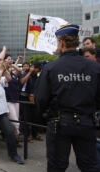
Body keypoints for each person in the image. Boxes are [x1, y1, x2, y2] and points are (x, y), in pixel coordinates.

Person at [34, 24, 100, 172]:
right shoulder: (94, 67)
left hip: (59, 123)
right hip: (87, 122)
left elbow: (41, 98)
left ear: (62, 43)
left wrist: (47, 115)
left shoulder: (51, 67)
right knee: (90, 165)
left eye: (57, 43)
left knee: (57, 166)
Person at [19, 62, 44, 143]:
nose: (38, 70)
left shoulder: (36, 76)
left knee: (35, 116)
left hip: (33, 98)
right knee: (27, 117)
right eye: (37, 69)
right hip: (24, 97)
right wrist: (29, 72)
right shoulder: (26, 73)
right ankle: (26, 135)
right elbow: (22, 82)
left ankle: (34, 133)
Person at [3, 55, 23, 146]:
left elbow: (19, 71)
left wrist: (13, 64)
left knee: (16, 121)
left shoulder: (13, 73)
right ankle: (14, 137)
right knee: (14, 121)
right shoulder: (3, 73)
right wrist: (5, 64)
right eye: (8, 59)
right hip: (8, 100)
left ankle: (15, 138)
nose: (10, 61)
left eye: (11, 59)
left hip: (16, 100)